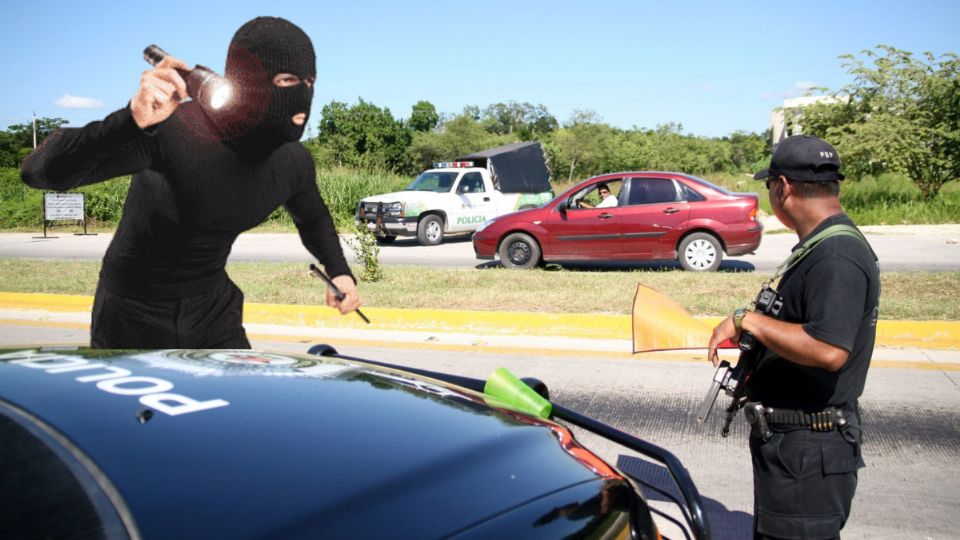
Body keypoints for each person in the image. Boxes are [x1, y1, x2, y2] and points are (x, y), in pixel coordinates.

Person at [21, 17, 361, 348]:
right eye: (287, 81)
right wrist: (129, 121)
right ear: (245, 80)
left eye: (310, 82)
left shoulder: (292, 162)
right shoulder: (173, 129)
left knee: (238, 405)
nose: (302, 96)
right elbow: (40, 172)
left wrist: (339, 271)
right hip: (132, 311)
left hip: (213, 308)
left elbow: (312, 217)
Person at [707, 135, 880, 539]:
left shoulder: (836, 255)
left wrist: (747, 321)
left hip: (809, 454)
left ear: (782, 186)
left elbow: (828, 349)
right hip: (795, 451)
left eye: (768, 186)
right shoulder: (818, 246)